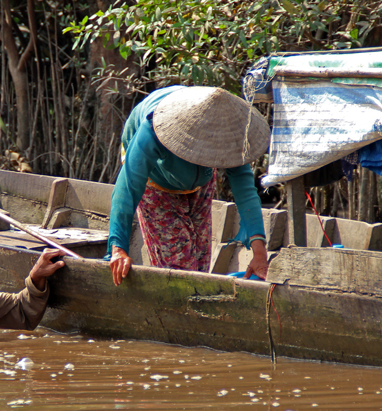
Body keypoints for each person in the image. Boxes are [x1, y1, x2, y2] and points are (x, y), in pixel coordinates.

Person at [107, 85, 271, 286]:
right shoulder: (153, 128)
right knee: (179, 268)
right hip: (155, 181)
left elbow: (245, 190)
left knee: (199, 265)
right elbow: (127, 188)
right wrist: (118, 248)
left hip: (200, 180)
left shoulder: (232, 133)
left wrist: (259, 252)